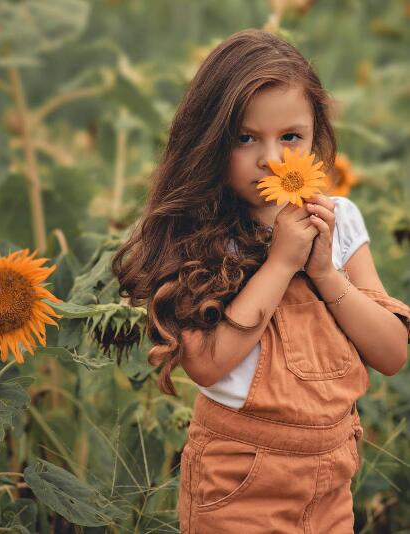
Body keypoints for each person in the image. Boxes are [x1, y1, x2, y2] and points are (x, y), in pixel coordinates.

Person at [111, 29, 410, 533]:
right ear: (208, 141)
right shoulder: (199, 235)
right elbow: (207, 366)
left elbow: (391, 353)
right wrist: (277, 265)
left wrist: (322, 271)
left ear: (316, 138)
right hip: (239, 474)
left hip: (333, 474)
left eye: (291, 137)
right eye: (245, 138)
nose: (271, 159)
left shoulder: (338, 221)